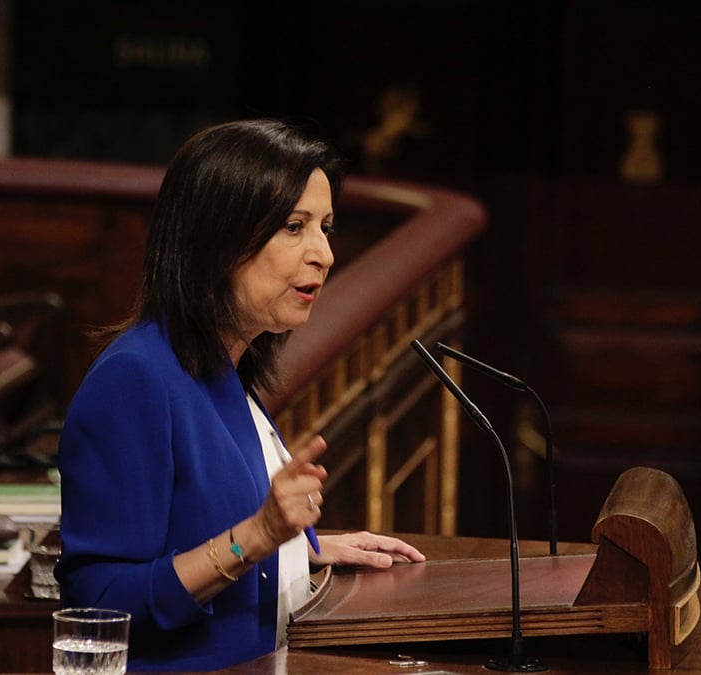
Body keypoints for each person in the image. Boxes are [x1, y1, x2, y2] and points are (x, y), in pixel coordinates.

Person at [54, 119, 426, 672]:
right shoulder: (135, 380)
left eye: (325, 227)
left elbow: (205, 525)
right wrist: (258, 536)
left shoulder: (227, 366)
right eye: (294, 227)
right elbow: (99, 605)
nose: (323, 253)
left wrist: (304, 551)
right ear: (217, 239)